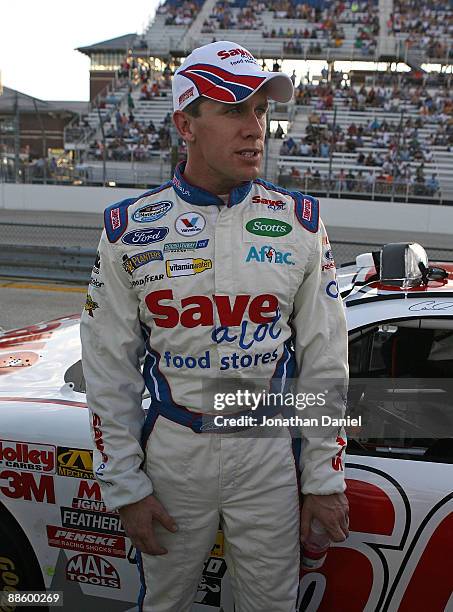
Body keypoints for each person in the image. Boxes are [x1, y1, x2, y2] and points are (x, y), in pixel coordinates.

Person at [81, 40, 349, 612]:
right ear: (186, 123)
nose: (254, 128)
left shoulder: (301, 224)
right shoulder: (129, 230)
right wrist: (126, 488)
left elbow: (326, 361)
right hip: (173, 450)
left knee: (272, 605)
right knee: (166, 604)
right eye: (233, 110)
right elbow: (109, 369)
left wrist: (323, 478)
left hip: (266, 450)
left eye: (260, 110)